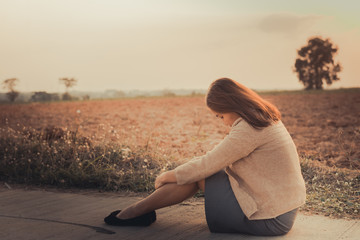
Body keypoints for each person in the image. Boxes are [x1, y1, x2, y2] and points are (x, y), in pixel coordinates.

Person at [104, 78, 306, 236]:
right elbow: (211, 160)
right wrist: (179, 172)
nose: (223, 123)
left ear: (230, 106)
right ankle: (139, 210)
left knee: (201, 174)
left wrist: (166, 176)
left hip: (270, 219)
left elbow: (206, 165)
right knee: (202, 170)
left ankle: (134, 212)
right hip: (282, 211)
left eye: (220, 116)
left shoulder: (249, 128)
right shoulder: (264, 119)